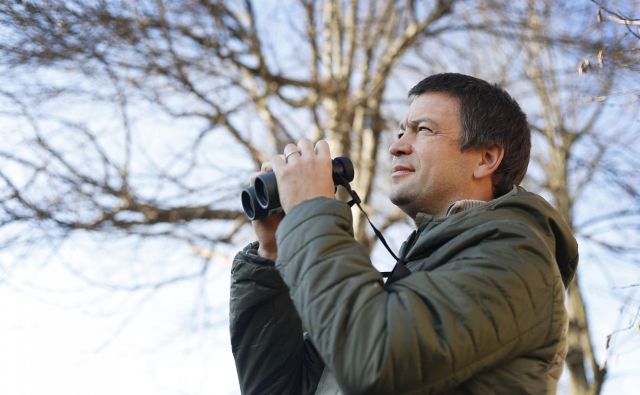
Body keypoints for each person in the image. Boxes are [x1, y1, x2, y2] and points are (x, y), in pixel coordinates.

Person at [229, 73, 578, 394]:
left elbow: (372, 359)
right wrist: (273, 254)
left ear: (486, 158)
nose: (397, 146)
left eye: (422, 130)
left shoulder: (517, 261)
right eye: (400, 132)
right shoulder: (412, 281)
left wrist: (311, 212)